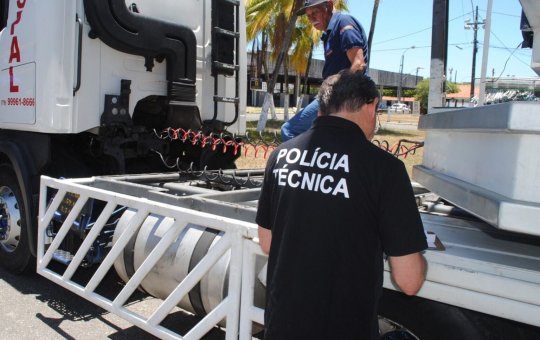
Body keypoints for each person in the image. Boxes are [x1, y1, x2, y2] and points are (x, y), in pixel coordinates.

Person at [256, 70, 427, 340]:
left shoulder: (281, 155)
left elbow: (267, 242)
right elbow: (409, 281)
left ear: (323, 108)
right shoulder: (385, 169)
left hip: (282, 326)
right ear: (372, 106)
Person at [281, 0, 369, 141]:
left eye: (315, 12)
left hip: (338, 96)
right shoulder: (329, 33)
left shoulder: (343, 23)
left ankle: (302, 163)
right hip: (336, 95)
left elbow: (358, 65)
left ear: (328, 6)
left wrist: (335, 95)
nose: (311, 19)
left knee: (290, 130)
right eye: (308, 16)